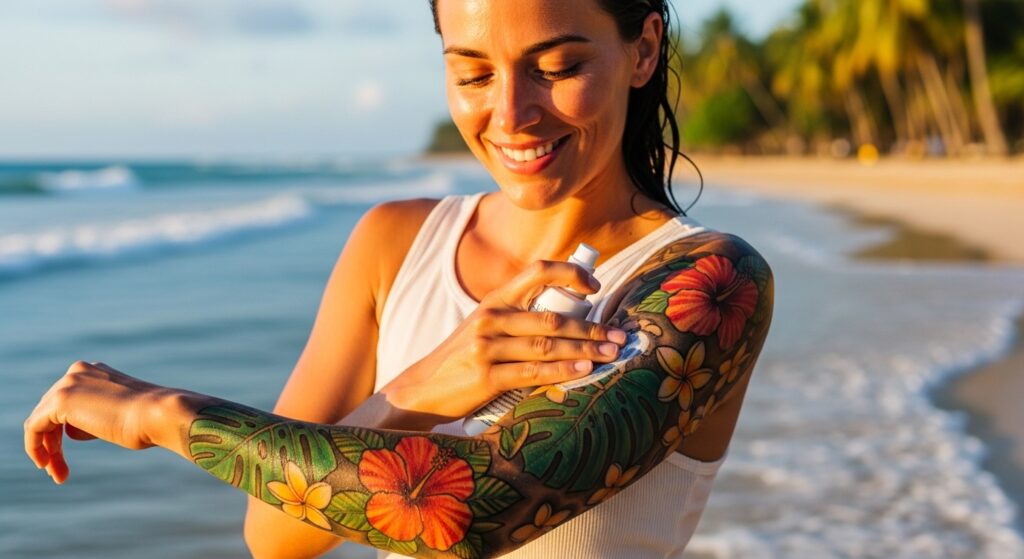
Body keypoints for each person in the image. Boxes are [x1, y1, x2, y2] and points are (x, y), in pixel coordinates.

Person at [23, 1, 774, 558]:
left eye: (556, 68)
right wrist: (419, 391)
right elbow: (275, 535)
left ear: (643, 49)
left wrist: (163, 413)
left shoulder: (710, 282)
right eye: (473, 73)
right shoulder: (395, 243)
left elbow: (480, 510)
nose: (510, 113)